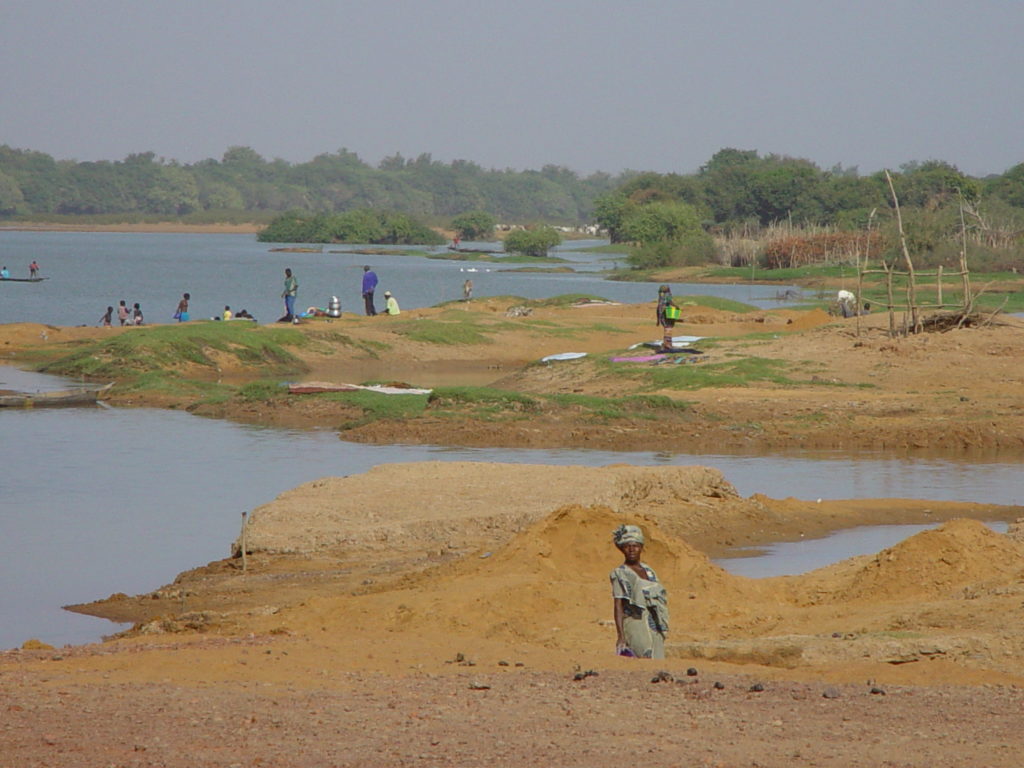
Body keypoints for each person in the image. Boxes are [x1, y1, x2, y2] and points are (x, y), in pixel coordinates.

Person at [610, 524, 669, 659]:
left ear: (641, 547)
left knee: (658, 659)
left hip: (654, 623)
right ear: (622, 549)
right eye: (627, 546)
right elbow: (618, 605)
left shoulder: (649, 571)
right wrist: (621, 637)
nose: (631, 550)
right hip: (635, 624)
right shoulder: (620, 573)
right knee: (645, 657)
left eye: (635, 546)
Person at [656, 285, 680, 351]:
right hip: (667, 314)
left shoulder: (661, 297)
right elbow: (670, 301)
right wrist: (676, 306)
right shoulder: (667, 295)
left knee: (666, 329)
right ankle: (668, 344)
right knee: (668, 328)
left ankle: (666, 343)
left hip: (661, 314)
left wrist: (658, 319)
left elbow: (658, 308)